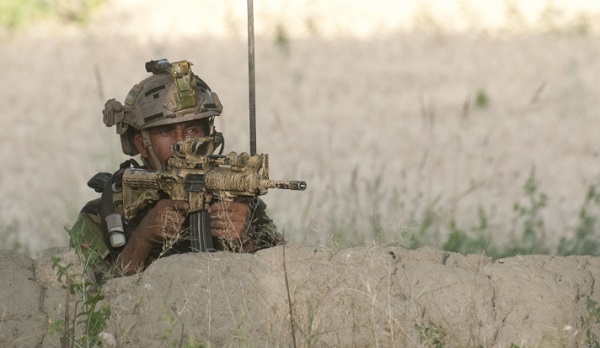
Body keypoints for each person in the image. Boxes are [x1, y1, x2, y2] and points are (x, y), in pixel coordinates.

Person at [69, 59, 282, 277]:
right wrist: (142, 239)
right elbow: (94, 301)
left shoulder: (240, 205)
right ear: (142, 144)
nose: (182, 143)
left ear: (209, 136)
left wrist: (245, 240)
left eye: (192, 130)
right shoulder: (102, 214)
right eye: (166, 132)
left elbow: (282, 284)